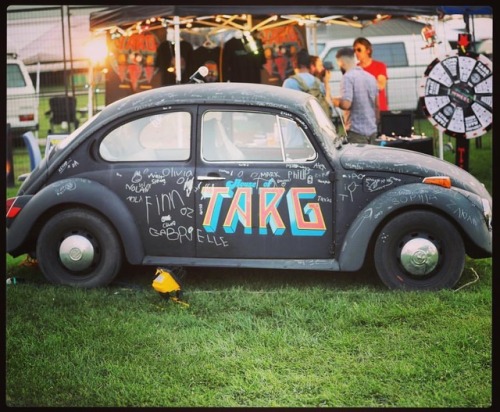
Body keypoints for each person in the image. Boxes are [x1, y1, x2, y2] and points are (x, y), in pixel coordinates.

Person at [332, 47, 379, 144]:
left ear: (341, 62)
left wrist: (334, 101)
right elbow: (377, 105)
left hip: (356, 131)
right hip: (372, 130)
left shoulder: (347, 77)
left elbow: (346, 104)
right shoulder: (371, 77)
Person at [282, 49, 331, 117]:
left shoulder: (289, 82)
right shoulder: (317, 81)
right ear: (309, 64)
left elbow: (284, 106)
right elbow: (326, 101)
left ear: (294, 64)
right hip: (316, 122)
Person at [353, 37, 389, 111]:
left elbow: (381, 85)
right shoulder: (354, 69)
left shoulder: (380, 66)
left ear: (368, 51)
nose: (356, 53)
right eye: (354, 50)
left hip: (379, 110)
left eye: (359, 50)